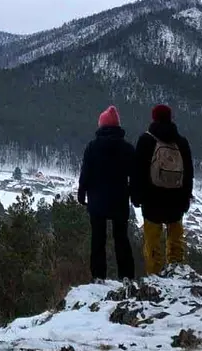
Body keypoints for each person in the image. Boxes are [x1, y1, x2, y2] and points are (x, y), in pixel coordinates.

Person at [133, 103, 193, 275]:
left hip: (152, 201)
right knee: (175, 243)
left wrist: (137, 197)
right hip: (176, 201)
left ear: (153, 118)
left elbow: (138, 170)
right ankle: (177, 275)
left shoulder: (146, 140)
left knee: (152, 244)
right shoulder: (181, 142)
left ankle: (155, 276)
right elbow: (189, 172)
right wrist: (186, 198)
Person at [77, 105, 136, 281]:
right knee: (121, 239)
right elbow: (135, 175)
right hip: (119, 199)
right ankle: (126, 275)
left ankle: (98, 276)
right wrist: (134, 195)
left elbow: (85, 172)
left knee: (98, 239)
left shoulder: (92, 147)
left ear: (101, 126)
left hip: (97, 200)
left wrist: (82, 192)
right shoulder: (127, 148)